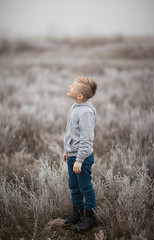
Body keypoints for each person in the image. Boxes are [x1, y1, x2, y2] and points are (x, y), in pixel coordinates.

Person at [63, 76, 98, 233]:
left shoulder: (85, 113)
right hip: (73, 156)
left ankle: (91, 217)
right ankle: (76, 213)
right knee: (74, 186)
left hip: (81, 158)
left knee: (85, 186)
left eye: (73, 86)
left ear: (80, 96)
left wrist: (79, 160)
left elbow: (86, 140)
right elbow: (72, 133)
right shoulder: (75, 107)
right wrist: (67, 151)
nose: (69, 86)